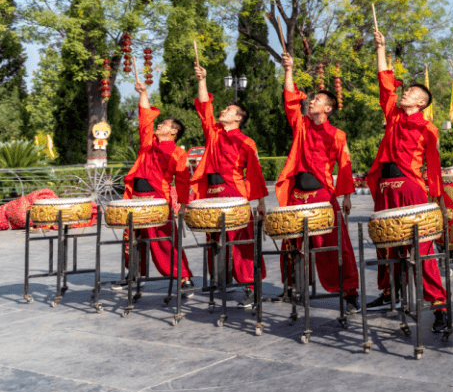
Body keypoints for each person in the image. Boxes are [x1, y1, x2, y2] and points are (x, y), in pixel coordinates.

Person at [364, 29, 449, 333]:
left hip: (410, 188)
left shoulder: (428, 128)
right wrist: (381, 49)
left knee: (420, 248)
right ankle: (389, 294)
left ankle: (439, 306)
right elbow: (385, 85)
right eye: (406, 92)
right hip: (385, 189)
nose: (405, 95)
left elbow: (435, 166)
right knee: (387, 246)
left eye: (412, 94)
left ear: (421, 103)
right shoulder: (393, 117)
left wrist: (437, 199)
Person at [274, 51, 360, 311]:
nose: (311, 102)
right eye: (311, 100)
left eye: (317, 100)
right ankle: (293, 286)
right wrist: (288, 69)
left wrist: (345, 196)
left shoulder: (337, 135)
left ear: (328, 108)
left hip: (322, 195)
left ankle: (348, 291)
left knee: (332, 245)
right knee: (292, 244)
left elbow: (344, 168)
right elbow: (291, 100)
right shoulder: (301, 125)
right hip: (295, 195)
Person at [190, 64, 268, 308]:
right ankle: (221, 279)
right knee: (215, 239)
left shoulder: (246, 142)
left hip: (235, 193)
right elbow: (205, 108)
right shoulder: (213, 134)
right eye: (224, 109)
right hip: (211, 194)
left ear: (238, 118)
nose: (223, 110)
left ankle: (252, 286)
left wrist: (261, 203)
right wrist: (202, 80)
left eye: (229, 109)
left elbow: (255, 174)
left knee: (241, 243)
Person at [117, 80, 193, 289]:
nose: (160, 125)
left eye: (165, 124)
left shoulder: (178, 153)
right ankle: (133, 276)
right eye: (160, 123)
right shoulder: (148, 144)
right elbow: (145, 119)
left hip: (158, 199)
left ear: (174, 132)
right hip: (135, 199)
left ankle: (184, 277)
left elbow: (184, 181)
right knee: (131, 239)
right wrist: (143, 93)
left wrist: (184, 205)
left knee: (164, 241)